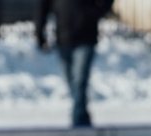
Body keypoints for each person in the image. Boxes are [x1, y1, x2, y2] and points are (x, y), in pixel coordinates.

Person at [36, 0, 115, 128]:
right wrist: (39, 32)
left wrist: (94, 13)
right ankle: (82, 114)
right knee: (71, 81)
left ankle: (79, 121)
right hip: (63, 38)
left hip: (86, 38)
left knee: (80, 81)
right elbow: (43, 6)